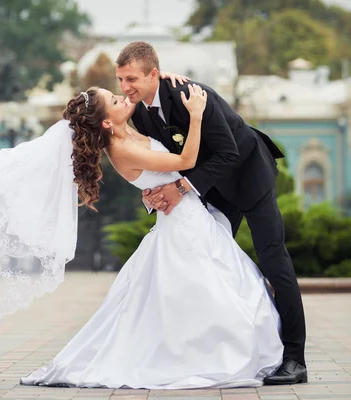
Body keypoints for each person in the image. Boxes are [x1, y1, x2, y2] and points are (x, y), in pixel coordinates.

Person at [20, 84, 283, 389]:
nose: (123, 98)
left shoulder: (130, 133)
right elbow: (184, 162)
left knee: (204, 287)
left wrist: (149, 196)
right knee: (207, 288)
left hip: (186, 216)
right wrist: (196, 116)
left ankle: (202, 350)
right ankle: (207, 355)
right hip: (182, 223)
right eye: (115, 100)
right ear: (107, 122)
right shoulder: (123, 148)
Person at [115, 41, 307, 385]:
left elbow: (230, 153)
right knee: (211, 265)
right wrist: (154, 193)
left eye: (132, 79)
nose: (126, 88)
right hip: (212, 188)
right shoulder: (139, 113)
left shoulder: (191, 94)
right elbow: (163, 161)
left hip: (250, 176)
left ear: (153, 74)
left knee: (273, 259)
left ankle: (294, 359)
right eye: (121, 80)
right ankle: (221, 352)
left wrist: (182, 188)